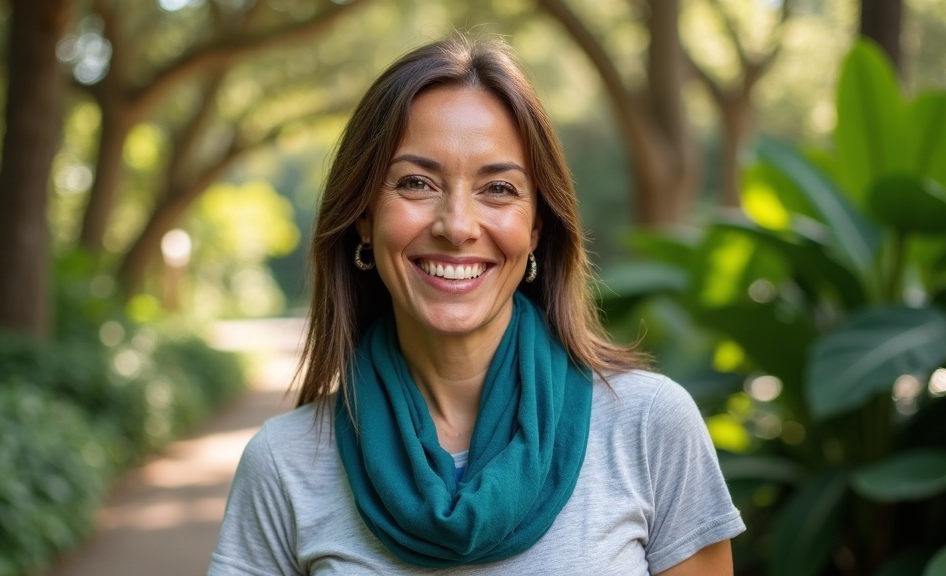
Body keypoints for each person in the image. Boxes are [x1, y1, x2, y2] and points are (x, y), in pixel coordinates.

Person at [209, 34, 745, 576]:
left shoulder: (649, 427)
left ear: (537, 227)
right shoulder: (285, 463)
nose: (458, 226)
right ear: (363, 219)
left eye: (499, 189)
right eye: (417, 183)